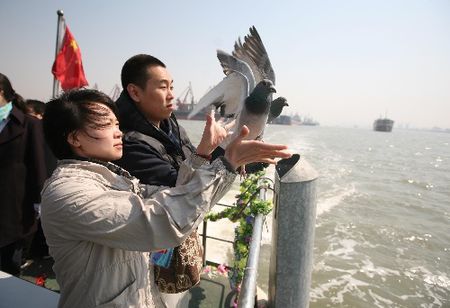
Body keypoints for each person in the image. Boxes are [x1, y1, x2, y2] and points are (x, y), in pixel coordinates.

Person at [40, 89, 291, 308]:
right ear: (74, 138)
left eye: (117, 124)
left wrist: (204, 153)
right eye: (106, 125)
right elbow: (160, 221)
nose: (118, 133)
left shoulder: (111, 178)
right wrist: (227, 164)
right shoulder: (68, 193)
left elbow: (173, 198)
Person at [0, 73, 47, 275]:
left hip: (13, 211)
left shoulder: (29, 124)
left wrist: (39, 202)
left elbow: (38, 166)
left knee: (8, 268)